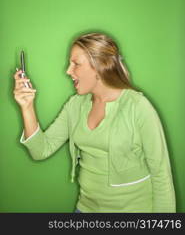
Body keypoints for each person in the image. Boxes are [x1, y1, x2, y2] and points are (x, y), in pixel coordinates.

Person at [13, 32, 176, 213]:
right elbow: (40, 150)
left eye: (76, 64)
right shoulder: (75, 105)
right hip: (85, 210)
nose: (68, 71)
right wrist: (27, 107)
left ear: (100, 66)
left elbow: (161, 175)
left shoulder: (139, 107)